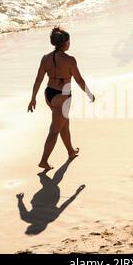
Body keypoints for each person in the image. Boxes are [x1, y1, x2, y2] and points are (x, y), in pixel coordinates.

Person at [28, 27, 95, 171]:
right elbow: (79, 80)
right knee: (54, 130)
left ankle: (70, 151)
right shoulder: (70, 60)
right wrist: (89, 93)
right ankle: (43, 161)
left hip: (49, 94)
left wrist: (33, 98)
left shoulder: (45, 58)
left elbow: (38, 79)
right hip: (62, 97)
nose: (69, 43)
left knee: (64, 123)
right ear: (64, 43)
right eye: (68, 41)